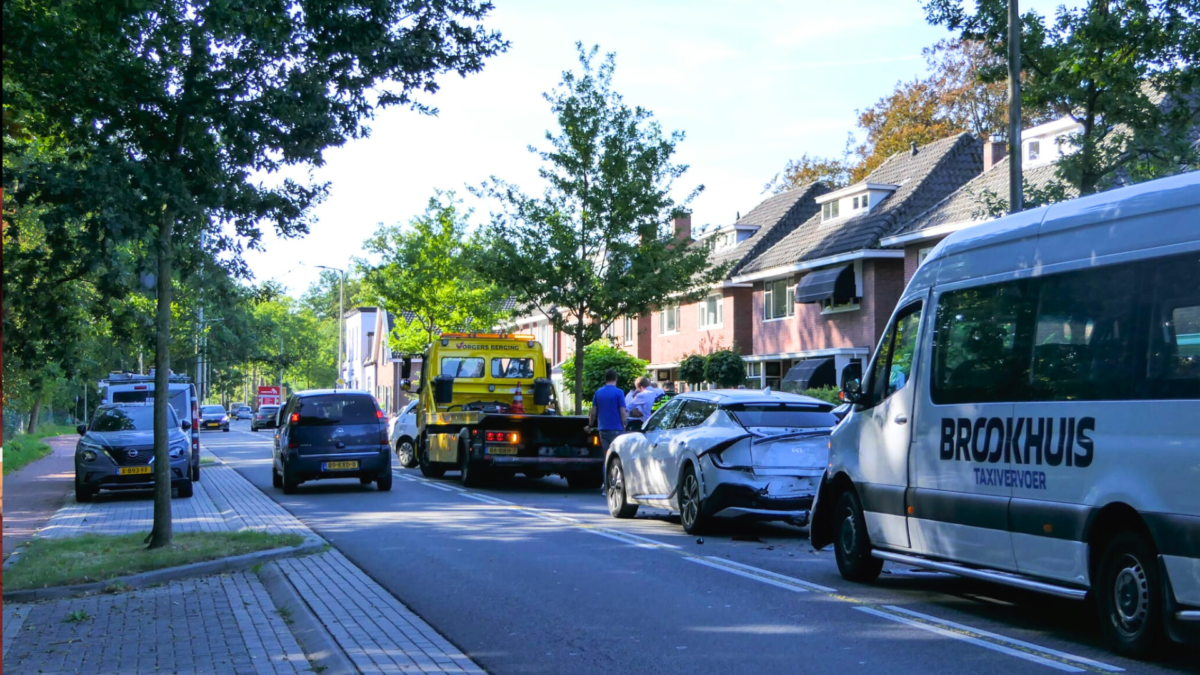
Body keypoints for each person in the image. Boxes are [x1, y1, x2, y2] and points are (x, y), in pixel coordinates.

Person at [589, 368, 627, 452]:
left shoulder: (598, 392)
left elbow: (593, 412)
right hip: (617, 429)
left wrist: (590, 425)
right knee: (617, 455)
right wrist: (625, 424)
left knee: (606, 455)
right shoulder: (619, 392)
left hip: (603, 429)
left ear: (605, 379)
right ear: (615, 378)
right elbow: (623, 412)